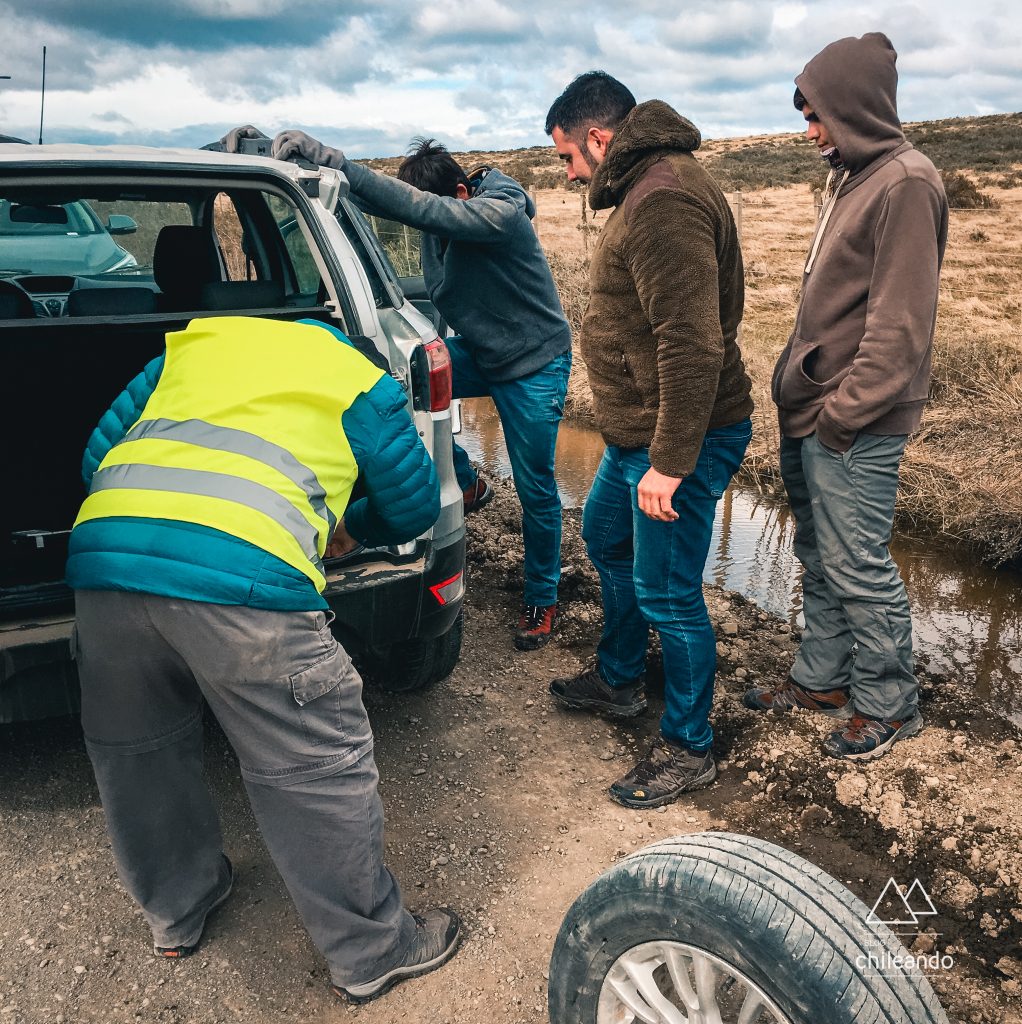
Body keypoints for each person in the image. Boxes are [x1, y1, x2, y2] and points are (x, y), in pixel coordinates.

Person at [66, 316, 461, 1003]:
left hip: (105, 562)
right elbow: (414, 506)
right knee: (312, 765)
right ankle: (372, 950)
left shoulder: (188, 350)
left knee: (139, 753)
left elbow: (95, 458)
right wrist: (347, 526)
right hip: (244, 580)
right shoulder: (357, 378)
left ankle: (178, 912)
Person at [226, 127, 572, 651]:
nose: (425, 221)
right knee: (400, 388)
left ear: (459, 195)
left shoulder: (501, 211)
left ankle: (541, 598)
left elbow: (424, 212)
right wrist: (315, 166)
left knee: (536, 489)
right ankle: (468, 481)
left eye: (432, 209)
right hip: (482, 352)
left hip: (532, 365)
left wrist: (335, 157)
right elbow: (385, 203)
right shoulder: (446, 217)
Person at [543, 72, 754, 809]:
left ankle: (689, 746)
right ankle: (622, 678)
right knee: (607, 536)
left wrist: (669, 464)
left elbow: (692, 344)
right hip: (642, 435)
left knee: (667, 589)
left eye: (569, 156)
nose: (569, 173)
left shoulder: (661, 198)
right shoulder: (643, 187)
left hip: (683, 438)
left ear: (599, 139)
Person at [743, 33, 949, 762]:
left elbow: (899, 330)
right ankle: (821, 679)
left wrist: (840, 416)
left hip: (853, 423)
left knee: (858, 562)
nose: (808, 132)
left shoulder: (906, 182)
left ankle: (889, 705)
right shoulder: (857, 175)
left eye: (816, 115)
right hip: (815, 413)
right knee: (820, 555)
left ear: (853, 107)